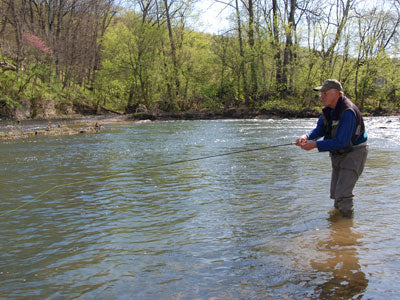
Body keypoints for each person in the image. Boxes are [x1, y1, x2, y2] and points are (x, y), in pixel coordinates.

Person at [296, 79, 368, 218]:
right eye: (321, 94)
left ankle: (346, 230)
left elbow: (342, 141)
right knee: (336, 193)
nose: (321, 97)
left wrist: (315, 145)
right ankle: (338, 228)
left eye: (325, 93)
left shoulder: (348, 111)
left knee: (343, 194)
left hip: (355, 153)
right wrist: (306, 136)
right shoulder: (328, 110)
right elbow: (319, 130)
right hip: (338, 153)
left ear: (337, 93)